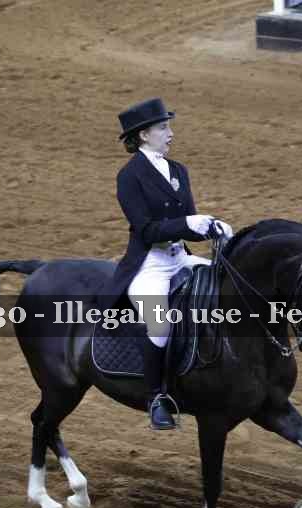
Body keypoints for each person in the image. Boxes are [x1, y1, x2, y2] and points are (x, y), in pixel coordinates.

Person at [97, 98, 233, 431]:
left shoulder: (178, 170)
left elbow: (188, 224)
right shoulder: (129, 176)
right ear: (144, 135)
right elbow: (146, 230)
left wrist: (212, 226)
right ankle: (155, 397)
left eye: (169, 127)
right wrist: (189, 223)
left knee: (225, 285)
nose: (170, 133)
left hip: (179, 257)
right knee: (159, 325)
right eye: (163, 128)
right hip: (150, 265)